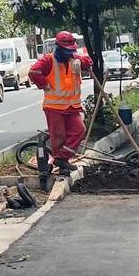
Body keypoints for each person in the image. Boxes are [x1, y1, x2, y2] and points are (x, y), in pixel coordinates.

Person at [28, 31, 93, 174]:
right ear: (59, 48)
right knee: (59, 137)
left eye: (71, 50)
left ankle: (61, 158)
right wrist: (43, 84)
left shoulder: (74, 59)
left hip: (72, 106)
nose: (69, 53)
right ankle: (63, 165)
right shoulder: (48, 60)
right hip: (54, 107)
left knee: (79, 130)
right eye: (66, 50)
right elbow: (34, 72)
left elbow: (89, 61)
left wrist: (81, 61)